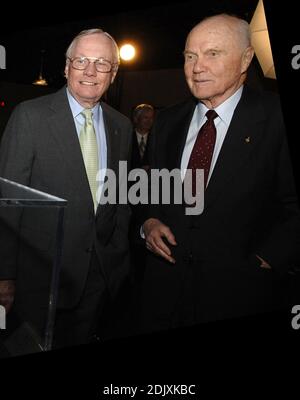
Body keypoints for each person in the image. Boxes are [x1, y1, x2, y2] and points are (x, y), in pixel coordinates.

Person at [140, 14, 300, 332]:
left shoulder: (275, 119)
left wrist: (264, 261)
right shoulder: (168, 121)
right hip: (162, 293)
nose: (197, 67)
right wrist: (149, 221)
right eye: (190, 56)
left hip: (241, 294)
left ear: (245, 59)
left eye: (212, 53)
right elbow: (150, 190)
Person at [0, 28, 132, 349]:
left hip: (97, 279)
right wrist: (4, 276)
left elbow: (121, 198)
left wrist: (116, 256)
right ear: (66, 67)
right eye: (81, 60)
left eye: (102, 63)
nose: (90, 71)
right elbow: (8, 200)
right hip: (39, 280)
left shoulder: (122, 126)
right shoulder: (29, 117)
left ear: (113, 73)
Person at [131, 103, 155, 170]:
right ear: (136, 119)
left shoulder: (156, 139)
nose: (149, 121)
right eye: (146, 117)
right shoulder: (128, 138)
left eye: (151, 118)